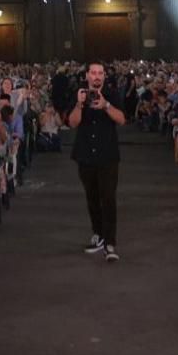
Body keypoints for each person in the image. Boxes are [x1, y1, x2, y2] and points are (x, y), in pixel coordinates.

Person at [68, 62, 125, 262]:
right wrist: (78, 104)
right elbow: (72, 122)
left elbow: (121, 119)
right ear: (87, 75)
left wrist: (106, 105)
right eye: (93, 73)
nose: (97, 76)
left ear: (104, 76)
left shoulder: (112, 93)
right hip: (85, 155)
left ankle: (110, 243)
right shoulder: (78, 94)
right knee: (92, 198)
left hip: (107, 155)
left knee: (108, 198)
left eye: (100, 73)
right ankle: (98, 235)